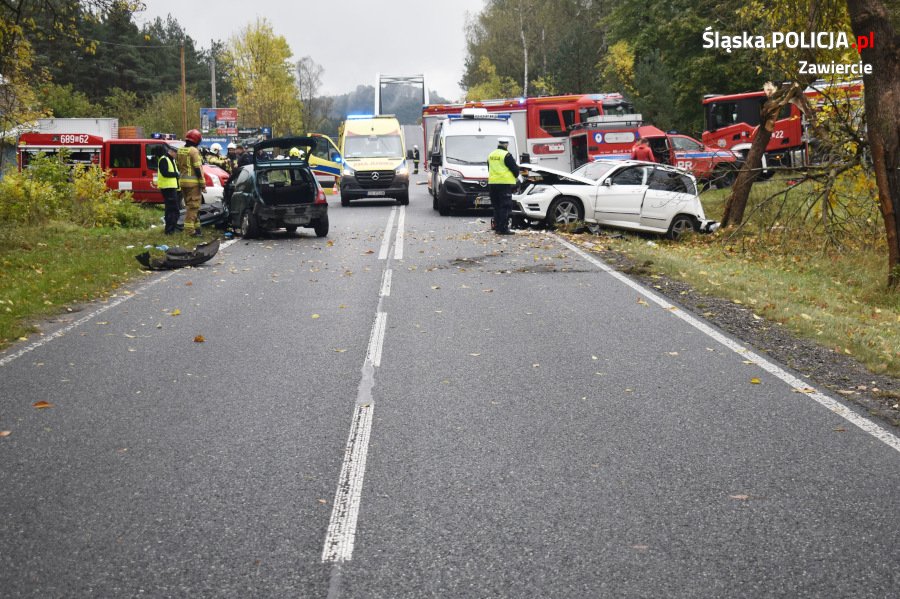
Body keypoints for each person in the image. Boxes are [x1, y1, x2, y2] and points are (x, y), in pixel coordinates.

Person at [176, 129, 206, 236]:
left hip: (183, 181)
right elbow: (198, 168)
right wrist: (202, 183)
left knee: (192, 205)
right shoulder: (193, 151)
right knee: (193, 207)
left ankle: (197, 228)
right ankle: (189, 231)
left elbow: (178, 165)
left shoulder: (180, 150)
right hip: (193, 183)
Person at [487, 137, 519, 236]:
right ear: (506, 145)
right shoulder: (506, 155)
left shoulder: (491, 155)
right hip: (504, 184)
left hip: (492, 183)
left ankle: (497, 227)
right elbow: (515, 170)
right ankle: (503, 229)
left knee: (496, 206)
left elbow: (489, 168)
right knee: (505, 206)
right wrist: (515, 176)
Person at [157, 144, 180, 235]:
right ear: (172, 152)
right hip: (167, 188)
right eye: (176, 153)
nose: (176, 155)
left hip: (171, 187)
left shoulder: (171, 160)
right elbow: (165, 173)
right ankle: (169, 230)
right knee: (172, 209)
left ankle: (171, 228)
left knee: (171, 209)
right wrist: (177, 174)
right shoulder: (164, 159)